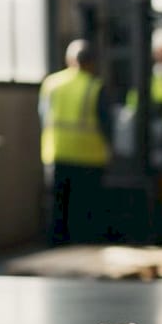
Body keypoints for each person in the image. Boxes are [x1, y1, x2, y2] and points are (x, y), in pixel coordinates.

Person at [39, 39, 111, 245]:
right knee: (85, 211)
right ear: (91, 63)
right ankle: (83, 250)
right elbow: (106, 124)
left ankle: (55, 250)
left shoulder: (51, 84)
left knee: (57, 208)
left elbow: (43, 116)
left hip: (56, 153)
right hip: (89, 157)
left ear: (69, 59)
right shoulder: (95, 87)